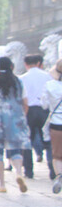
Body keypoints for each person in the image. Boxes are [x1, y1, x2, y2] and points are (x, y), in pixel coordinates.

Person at [0, 57, 32, 194]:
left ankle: (2, 184)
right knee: (16, 149)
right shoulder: (18, 82)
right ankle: (19, 173)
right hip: (17, 120)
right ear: (12, 66)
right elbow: (25, 102)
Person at [20, 54, 51, 179]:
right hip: (44, 110)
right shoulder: (47, 76)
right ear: (38, 63)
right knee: (48, 140)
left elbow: (21, 97)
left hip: (29, 110)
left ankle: (28, 170)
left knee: (27, 140)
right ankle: (52, 169)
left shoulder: (22, 78)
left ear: (26, 64)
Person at [40, 59, 62, 194]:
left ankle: (59, 176)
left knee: (57, 154)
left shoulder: (50, 85)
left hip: (57, 122)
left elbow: (44, 105)